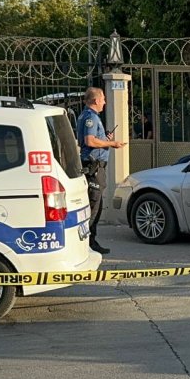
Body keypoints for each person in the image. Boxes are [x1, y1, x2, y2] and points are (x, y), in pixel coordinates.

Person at [76, 86, 124, 254]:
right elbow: (89, 141)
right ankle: (88, 245)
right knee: (93, 206)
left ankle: (90, 242)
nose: (105, 101)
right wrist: (111, 143)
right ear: (96, 100)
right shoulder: (91, 117)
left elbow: (93, 139)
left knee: (95, 205)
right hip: (94, 167)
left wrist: (104, 139)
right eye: (103, 98)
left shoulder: (86, 115)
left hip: (94, 167)